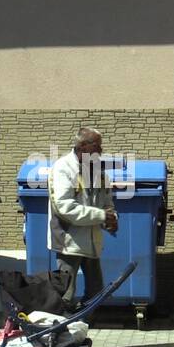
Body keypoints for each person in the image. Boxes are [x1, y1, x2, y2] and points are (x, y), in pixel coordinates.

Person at [47, 127, 118, 311]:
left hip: (91, 241)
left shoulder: (97, 171)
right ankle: (61, 332)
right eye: (97, 146)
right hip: (68, 242)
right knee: (66, 294)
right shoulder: (63, 168)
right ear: (83, 147)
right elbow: (64, 207)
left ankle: (81, 326)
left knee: (96, 292)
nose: (101, 151)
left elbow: (107, 201)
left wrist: (111, 218)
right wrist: (102, 215)